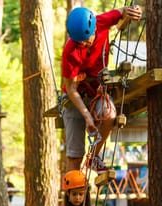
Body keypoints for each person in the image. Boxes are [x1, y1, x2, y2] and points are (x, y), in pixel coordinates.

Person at [61, 6, 142, 172]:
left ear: (93, 28)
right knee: (74, 153)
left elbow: (123, 11)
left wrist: (135, 11)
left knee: (110, 115)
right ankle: (72, 194)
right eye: (79, 41)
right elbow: (70, 88)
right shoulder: (71, 50)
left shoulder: (101, 22)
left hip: (96, 91)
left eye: (86, 40)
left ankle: (94, 157)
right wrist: (87, 117)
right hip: (75, 97)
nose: (83, 44)